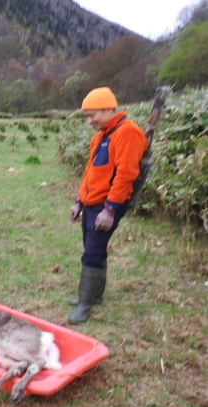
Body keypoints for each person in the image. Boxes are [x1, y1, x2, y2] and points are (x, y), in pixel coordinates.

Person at [68, 87, 147, 324]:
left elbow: (126, 175)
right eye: (86, 116)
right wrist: (79, 201)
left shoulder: (128, 133)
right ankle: (95, 296)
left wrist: (110, 210)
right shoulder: (102, 135)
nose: (89, 120)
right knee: (94, 246)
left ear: (109, 108)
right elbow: (90, 172)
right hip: (92, 203)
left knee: (91, 251)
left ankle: (84, 304)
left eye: (93, 115)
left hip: (107, 205)